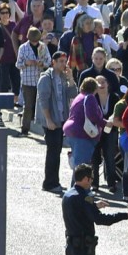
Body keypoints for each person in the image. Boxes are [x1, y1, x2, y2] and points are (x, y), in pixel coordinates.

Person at [37, 52, 78, 193]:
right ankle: (49, 183)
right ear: (53, 62)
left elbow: (74, 94)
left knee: (57, 151)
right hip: (51, 120)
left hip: (61, 119)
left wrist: (71, 78)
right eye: (60, 61)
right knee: (53, 152)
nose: (63, 64)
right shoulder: (46, 78)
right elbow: (43, 100)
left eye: (65, 61)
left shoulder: (63, 77)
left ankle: (54, 181)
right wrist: (48, 119)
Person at [63, 78, 106, 170]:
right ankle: (77, 184)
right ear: (94, 88)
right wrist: (105, 123)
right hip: (81, 133)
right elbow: (92, 115)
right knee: (81, 167)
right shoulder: (90, 97)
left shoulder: (79, 97)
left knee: (78, 166)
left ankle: (76, 184)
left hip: (71, 131)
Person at [17, 27, 52, 135]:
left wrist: (43, 64)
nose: (35, 42)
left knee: (44, 105)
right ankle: (25, 129)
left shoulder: (43, 47)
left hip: (40, 80)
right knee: (28, 106)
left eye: (36, 40)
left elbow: (49, 61)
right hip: (27, 81)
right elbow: (18, 64)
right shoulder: (23, 48)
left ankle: (46, 129)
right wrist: (26, 63)